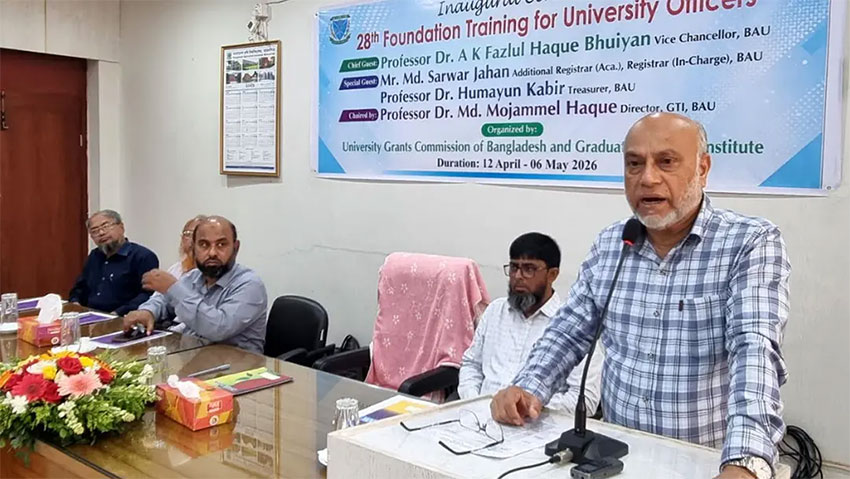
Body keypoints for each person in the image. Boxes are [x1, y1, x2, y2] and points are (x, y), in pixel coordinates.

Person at [490, 113, 789, 479]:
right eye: (634, 164)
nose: (647, 178)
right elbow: (569, 332)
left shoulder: (749, 242)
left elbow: (754, 352)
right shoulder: (612, 244)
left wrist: (745, 461)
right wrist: (528, 387)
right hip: (619, 459)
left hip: (707, 460)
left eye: (666, 161)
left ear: (703, 168)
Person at [459, 232, 602, 415]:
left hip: (537, 422)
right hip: (480, 417)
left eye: (529, 269)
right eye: (514, 268)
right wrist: (475, 403)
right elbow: (471, 364)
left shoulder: (573, 324)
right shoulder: (495, 311)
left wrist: (527, 407)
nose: (518, 276)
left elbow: (585, 399)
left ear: (552, 274)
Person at [123, 216, 268, 354]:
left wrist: (173, 288)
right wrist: (148, 312)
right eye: (204, 245)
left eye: (221, 245)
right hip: (193, 354)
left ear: (235, 248)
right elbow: (163, 300)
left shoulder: (250, 284)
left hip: (238, 364)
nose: (212, 253)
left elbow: (218, 329)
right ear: (194, 248)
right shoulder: (193, 276)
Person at [69, 209, 159, 315]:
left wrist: (118, 313)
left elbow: (148, 295)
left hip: (123, 317)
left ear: (121, 227)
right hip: (90, 315)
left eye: (105, 226)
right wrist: (75, 303)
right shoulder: (94, 256)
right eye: (94, 231)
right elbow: (80, 287)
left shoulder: (143, 256)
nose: (101, 233)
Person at [166, 215, 207, 280]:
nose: (193, 240)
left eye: (198, 234)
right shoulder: (175, 270)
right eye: (188, 234)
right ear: (182, 238)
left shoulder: (212, 272)